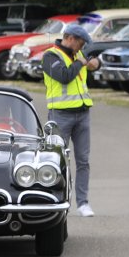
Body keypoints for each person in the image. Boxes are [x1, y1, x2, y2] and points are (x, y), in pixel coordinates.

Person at [42, 23, 97, 216]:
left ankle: (83, 203)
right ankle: (56, 202)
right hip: (60, 115)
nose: (81, 48)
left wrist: (96, 64)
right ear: (70, 38)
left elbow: (90, 65)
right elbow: (64, 76)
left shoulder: (78, 55)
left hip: (82, 113)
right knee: (56, 160)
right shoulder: (50, 56)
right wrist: (80, 63)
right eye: (80, 43)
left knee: (83, 161)